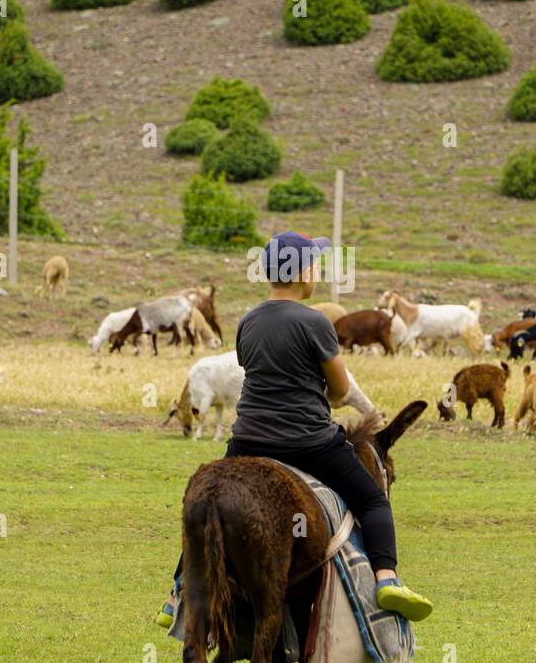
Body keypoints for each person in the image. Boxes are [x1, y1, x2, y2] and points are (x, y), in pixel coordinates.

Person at [158, 231, 432, 629]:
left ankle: (179, 591)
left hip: (249, 439)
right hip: (307, 442)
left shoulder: (248, 322)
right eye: (315, 265)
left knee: (210, 503)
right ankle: (387, 578)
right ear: (303, 272)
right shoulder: (316, 322)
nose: (317, 272)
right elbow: (339, 390)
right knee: (373, 501)